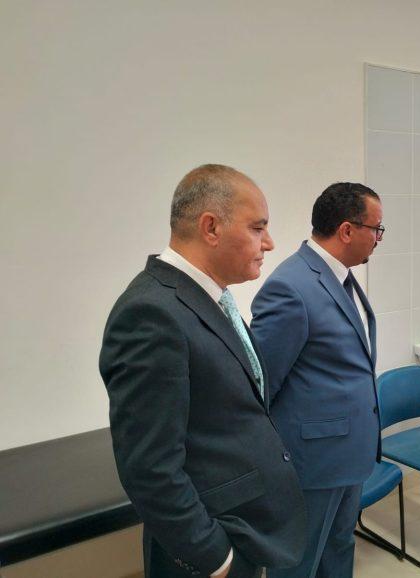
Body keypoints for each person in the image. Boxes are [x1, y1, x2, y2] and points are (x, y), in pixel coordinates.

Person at [100, 164, 306, 578]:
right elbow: (149, 468)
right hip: (208, 551)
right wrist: (216, 558)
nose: (269, 243)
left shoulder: (208, 298)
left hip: (247, 526)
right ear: (211, 227)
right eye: (257, 228)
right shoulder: (151, 313)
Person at [250, 182, 383, 578]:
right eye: (376, 229)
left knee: (338, 550)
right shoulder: (291, 286)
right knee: (300, 563)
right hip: (312, 464)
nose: (378, 238)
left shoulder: (342, 277)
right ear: (347, 230)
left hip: (348, 455)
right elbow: (261, 385)